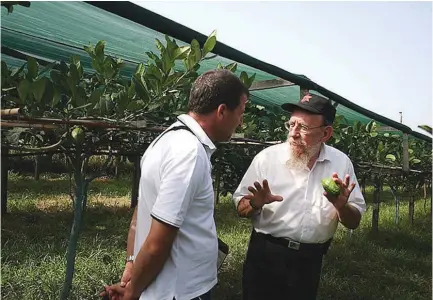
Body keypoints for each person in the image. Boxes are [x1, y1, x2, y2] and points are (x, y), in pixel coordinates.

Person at [101, 69, 248, 300]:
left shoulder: (166, 139)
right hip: (181, 291)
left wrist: (131, 265)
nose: (240, 122)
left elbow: (141, 213)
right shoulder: (188, 152)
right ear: (221, 111)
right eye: (240, 113)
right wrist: (133, 291)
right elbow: (159, 241)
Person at [232, 93, 366, 300]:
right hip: (265, 256)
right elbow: (240, 207)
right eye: (291, 124)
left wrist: (342, 207)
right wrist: (254, 203)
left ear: (325, 134)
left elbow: (354, 222)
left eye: (303, 127)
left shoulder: (341, 164)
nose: (293, 134)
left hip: (309, 261)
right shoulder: (267, 158)